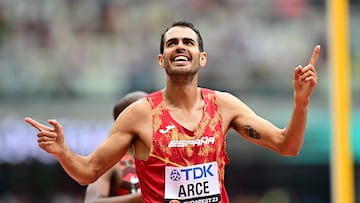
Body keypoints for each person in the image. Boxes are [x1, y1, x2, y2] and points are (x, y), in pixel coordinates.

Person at [25, 21, 320, 203]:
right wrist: (63, 151)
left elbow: (287, 145)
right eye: (172, 43)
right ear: (161, 59)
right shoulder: (139, 114)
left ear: (202, 58)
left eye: (188, 42)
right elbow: (88, 172)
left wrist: (301, 103)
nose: (180, 47)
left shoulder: (224, 105)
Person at [83, 91, 146, 203]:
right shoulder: (112, 162)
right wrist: (144, 195)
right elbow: (91, 201)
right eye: (147, 113)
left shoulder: (166, 157)